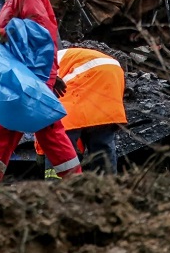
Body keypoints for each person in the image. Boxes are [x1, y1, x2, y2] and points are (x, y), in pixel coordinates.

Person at [0, 0, 82, 185]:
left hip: (29, 78)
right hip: (26, 76)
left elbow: (38, 33)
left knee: (44, 131)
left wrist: (1, 35)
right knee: (12, 131)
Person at [37, 47, 127, 175]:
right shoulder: (47, 59)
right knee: (101, 139)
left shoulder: (35, 75)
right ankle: (108, 187)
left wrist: (41, 153)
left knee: (61, 139)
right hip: (113, 72)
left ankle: (58, 187)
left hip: (86, 72)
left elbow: (47, 127)